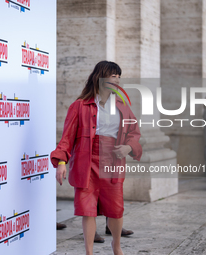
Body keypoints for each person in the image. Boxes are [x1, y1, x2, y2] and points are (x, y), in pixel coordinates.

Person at [51, 61, 142, 255]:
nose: (116, 80)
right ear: (100, 78)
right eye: (112, 76)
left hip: (113, 160)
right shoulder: (79, 106)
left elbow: (134, 133)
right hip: (86, 160)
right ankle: (89, 252)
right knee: (87, 208)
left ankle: (116, 247)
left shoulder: (123, 106)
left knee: (116, 208)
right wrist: (61, 162)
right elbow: (66, 137)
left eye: (119, 77)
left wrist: (128, 147)